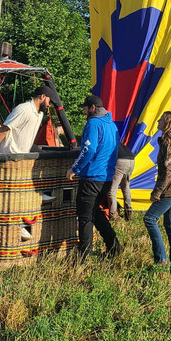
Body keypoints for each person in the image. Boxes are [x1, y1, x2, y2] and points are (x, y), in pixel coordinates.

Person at [66, 94, 121, 260]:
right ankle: (114, 246)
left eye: (85, 108)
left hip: (91, 176)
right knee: (95, 213)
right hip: (106, 177)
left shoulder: (93, 123)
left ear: (92, 108)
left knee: (85, 217)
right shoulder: (112, 125)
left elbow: (90, 149)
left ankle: (84, 258)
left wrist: (75, 168)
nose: (84, 112)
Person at [144, 110, 171, 266]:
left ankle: (161, 259)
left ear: (167, 124)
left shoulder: (168, 144)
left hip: (170, 190)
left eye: (160, 120)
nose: (158, 122)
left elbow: (169, 172)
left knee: (149, 219)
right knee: (170, 224)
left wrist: (157, 192)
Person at [0, 86, 56, 160]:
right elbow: (5, 128)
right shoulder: (24, 109)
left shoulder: (40, 115)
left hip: (22, 158)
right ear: (43, 96)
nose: (49, 105)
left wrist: (40, 151)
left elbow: (24, 137)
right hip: (8, 156)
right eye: (49, 101)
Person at [107, 137, 135, 221]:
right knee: (125, 187)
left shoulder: (105, 141)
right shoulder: (115, 140)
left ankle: (113, 216)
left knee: (111, 191)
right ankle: (128, 213)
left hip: (121, 161)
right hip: (131, 160)